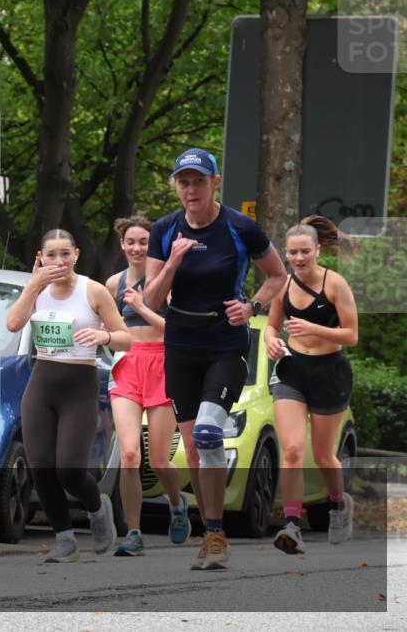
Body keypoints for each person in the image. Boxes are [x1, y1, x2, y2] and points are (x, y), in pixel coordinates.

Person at [144, 148, 286, 570]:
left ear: (215, 183)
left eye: (199, 181)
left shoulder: (240, 227)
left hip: (225, 343)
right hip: (181, 345)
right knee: (190, 444)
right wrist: (173, 262)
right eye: (183, 182)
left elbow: (277, 275)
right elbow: (150, 297)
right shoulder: (165, 230)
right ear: (176, 185)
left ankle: (216, 534)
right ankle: (211, 533)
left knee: (207, 433)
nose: (190, 189)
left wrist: (253, 307)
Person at [6, 229, 132, 563]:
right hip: (42, 380)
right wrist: (32, 285)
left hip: (79, 382)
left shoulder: (93, 290)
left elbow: (125, 338)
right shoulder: (37, 290)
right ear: (41, 258)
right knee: (41, 465)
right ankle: (64, 538)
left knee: (69, 469)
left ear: (76, 254)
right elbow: (13, 323)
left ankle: (96, 508)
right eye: (51, 255)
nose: (59, 261)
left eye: (65, 254)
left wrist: (103, 335)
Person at [266, 215, 358, 554]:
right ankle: (292, 524)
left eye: (305, 251)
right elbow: (273, 327)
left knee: (322, 455)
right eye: (292, 253)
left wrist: (315, 329)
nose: (299, 258)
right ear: (285, 254)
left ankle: (339, 503)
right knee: (291, 451)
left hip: (329, 373)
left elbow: (352, 335)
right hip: (292, 371)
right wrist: (271, 342)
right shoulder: (283, 287)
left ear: (318, 250)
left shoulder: (335, 284)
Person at [104, 216, 190, 556]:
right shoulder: (113, 283)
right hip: (127, 365)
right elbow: (109, 328)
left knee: (158, 460)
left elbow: (177, 331)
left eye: (144, 242)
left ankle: (176, 502)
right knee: (128, 455)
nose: (138, 248)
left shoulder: (168, 280)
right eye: (132, 242)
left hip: (163, 364)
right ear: (122, 245)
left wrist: (141, 307)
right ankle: (134, 533)